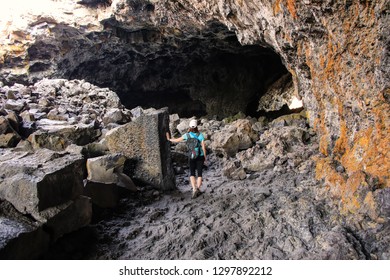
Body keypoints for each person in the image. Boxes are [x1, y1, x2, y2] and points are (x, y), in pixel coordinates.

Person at [167, 119, 207, 198]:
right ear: (196, 126)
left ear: (189, 126)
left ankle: (194, 189)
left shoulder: (187, 135)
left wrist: (169, 139)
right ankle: (198, 189)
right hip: (200, 156)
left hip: (191, 155)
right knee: (199, 174)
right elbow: (203, 147)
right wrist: (205, 156)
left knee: (192, 173)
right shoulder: (200, 135)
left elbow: (176, 140)